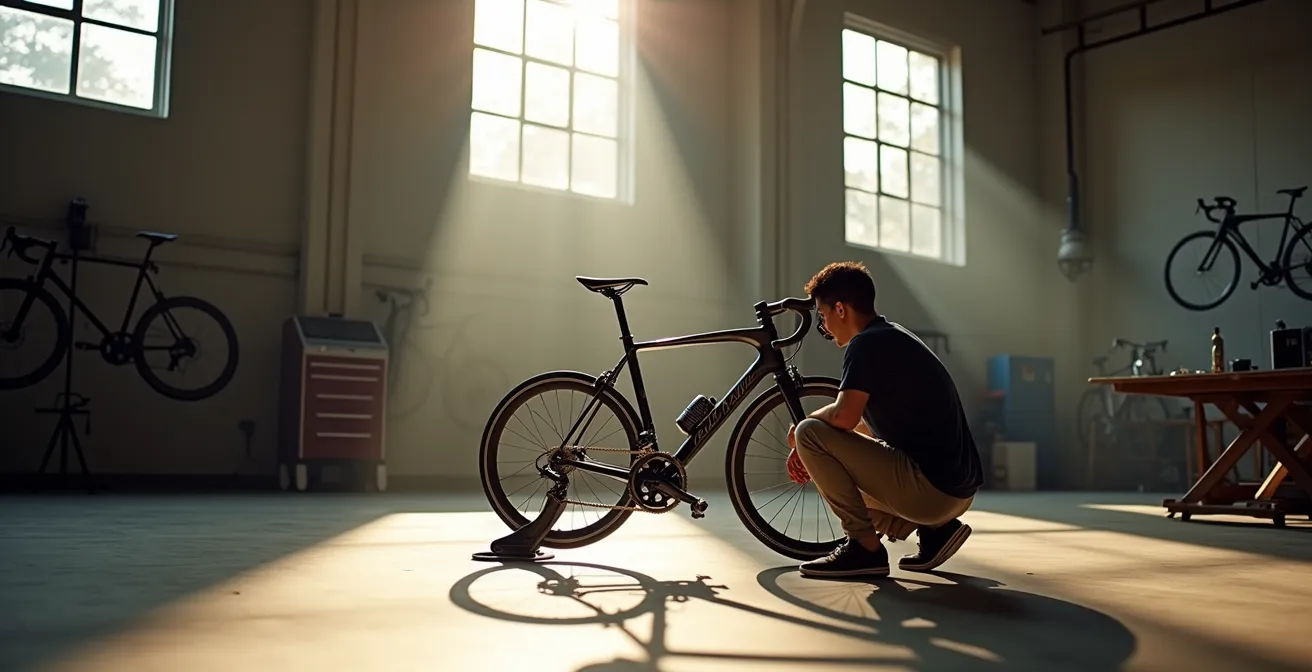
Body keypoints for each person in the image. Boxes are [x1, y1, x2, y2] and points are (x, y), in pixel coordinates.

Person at [787, 261, 983, 579]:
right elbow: (865, 426)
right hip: (956, 491)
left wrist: (801, 435)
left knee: (811, 432)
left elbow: (844, 416)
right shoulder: (893, 336)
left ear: (840, 309)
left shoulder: (865, 345)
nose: (824, 326)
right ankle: (936, 532)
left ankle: (864, 549)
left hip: (932, 492)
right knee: (821, 447)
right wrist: (815, 458)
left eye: (823, 316)